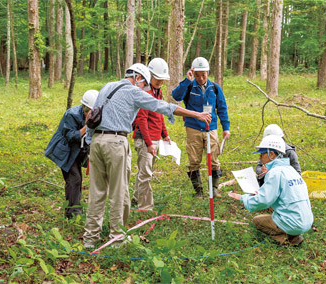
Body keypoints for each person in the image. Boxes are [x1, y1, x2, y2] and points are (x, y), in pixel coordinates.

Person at [83, 63, 212, 249]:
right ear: (138, 78)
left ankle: (90, 238)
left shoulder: (106, 87)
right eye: (144, 85)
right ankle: (116, 239)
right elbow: (163, 107)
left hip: (96, 142)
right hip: (116, 143)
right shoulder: (133, 91)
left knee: (97, 192)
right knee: (119, 193)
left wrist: (89, 142)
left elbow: (91, 118)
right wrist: (196, 114)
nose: (144, 89)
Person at [228, 135, 313, 246]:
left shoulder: (275, 173)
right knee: (273, 209)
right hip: (307, 220)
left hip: (294, 223)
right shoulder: (290, 170)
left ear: (271, 154)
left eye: (262, 154)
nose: (260, 158)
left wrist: (243, 198)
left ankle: (286, 240)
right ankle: (293, 233)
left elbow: (263, 201)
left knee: (257, 221)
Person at [172, 57, 230, 199]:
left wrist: (225, 128)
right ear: (193, 73)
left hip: (211, 128)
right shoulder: (189, 86)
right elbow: (176, 96)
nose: (200, 78)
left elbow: (222, 108)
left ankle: (214, 189)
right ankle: (198, 191)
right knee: (194, 160)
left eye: (203, 74)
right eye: (197, 74)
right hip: (193, 128)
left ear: (208, 72)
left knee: (214, 159)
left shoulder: (215, 88)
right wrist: (187, 80)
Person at [45, 90, 99, 219]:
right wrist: (87, 126)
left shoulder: (97, 115)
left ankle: (75, 209)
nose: (89, 114)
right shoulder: (72, 114)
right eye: (87, 111)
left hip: (79, 151)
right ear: (83, 107)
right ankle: (72, 214)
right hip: (66, 151)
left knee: (77, 180)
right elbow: (70, 136)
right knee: (74, 180)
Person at [132, 58, 171, 210]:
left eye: (162, 80)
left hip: (155, 138)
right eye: (158, 79)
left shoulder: (158, 92)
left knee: (144, 171)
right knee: (146, 174)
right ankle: (145, 207)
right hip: (144, 139)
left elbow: (160, 113)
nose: (160, 82)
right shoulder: (144, 93)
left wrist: (164, 134)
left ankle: (136, 197)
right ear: (150, 75)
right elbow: (141, 119)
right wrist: (148, 143)